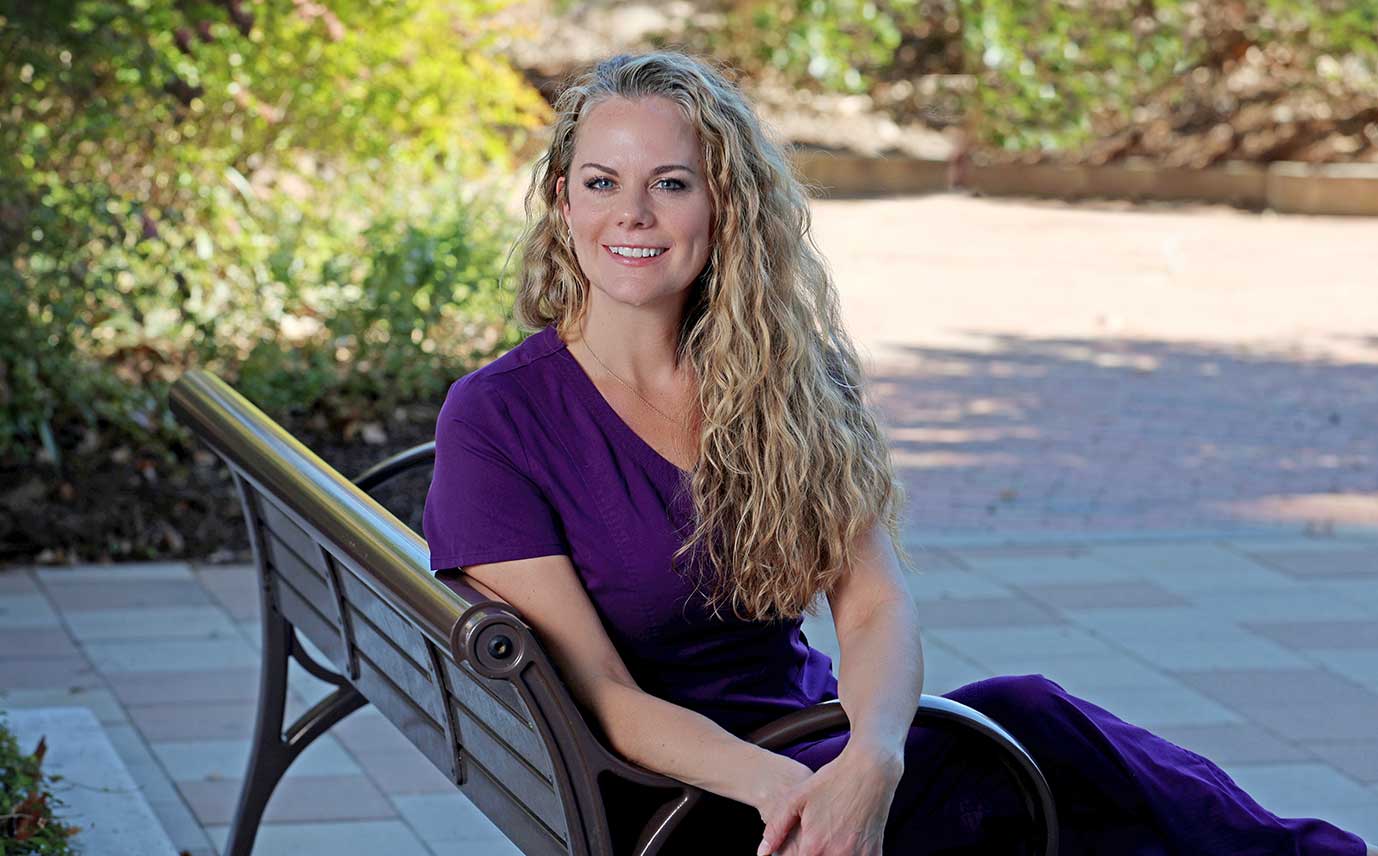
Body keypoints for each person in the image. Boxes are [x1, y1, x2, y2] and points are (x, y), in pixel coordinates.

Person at [422, 51, 1374, 856]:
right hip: (687, 806)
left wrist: (873, 755)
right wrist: (792, 791)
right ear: (561, 198)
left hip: (817, 756)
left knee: (1032, 737)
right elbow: (610, 702)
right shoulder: (498, 422)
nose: (632, 214)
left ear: (725, 207)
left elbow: (873, 602)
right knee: (1036, 738)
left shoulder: (777, 380)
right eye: (602, 183)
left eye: (671, 183)